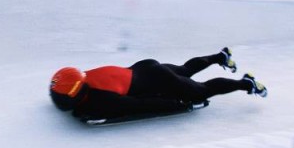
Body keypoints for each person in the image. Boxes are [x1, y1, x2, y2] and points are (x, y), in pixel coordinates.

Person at [49, 48, 267, 120]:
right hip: (145, 67)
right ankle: (220, 57)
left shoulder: (100, 98)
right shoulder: (85, 76)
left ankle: (245, 83)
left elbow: (140, 105)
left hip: (157, 80)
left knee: (201, 92)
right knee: (184, 70)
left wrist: (178, 105)